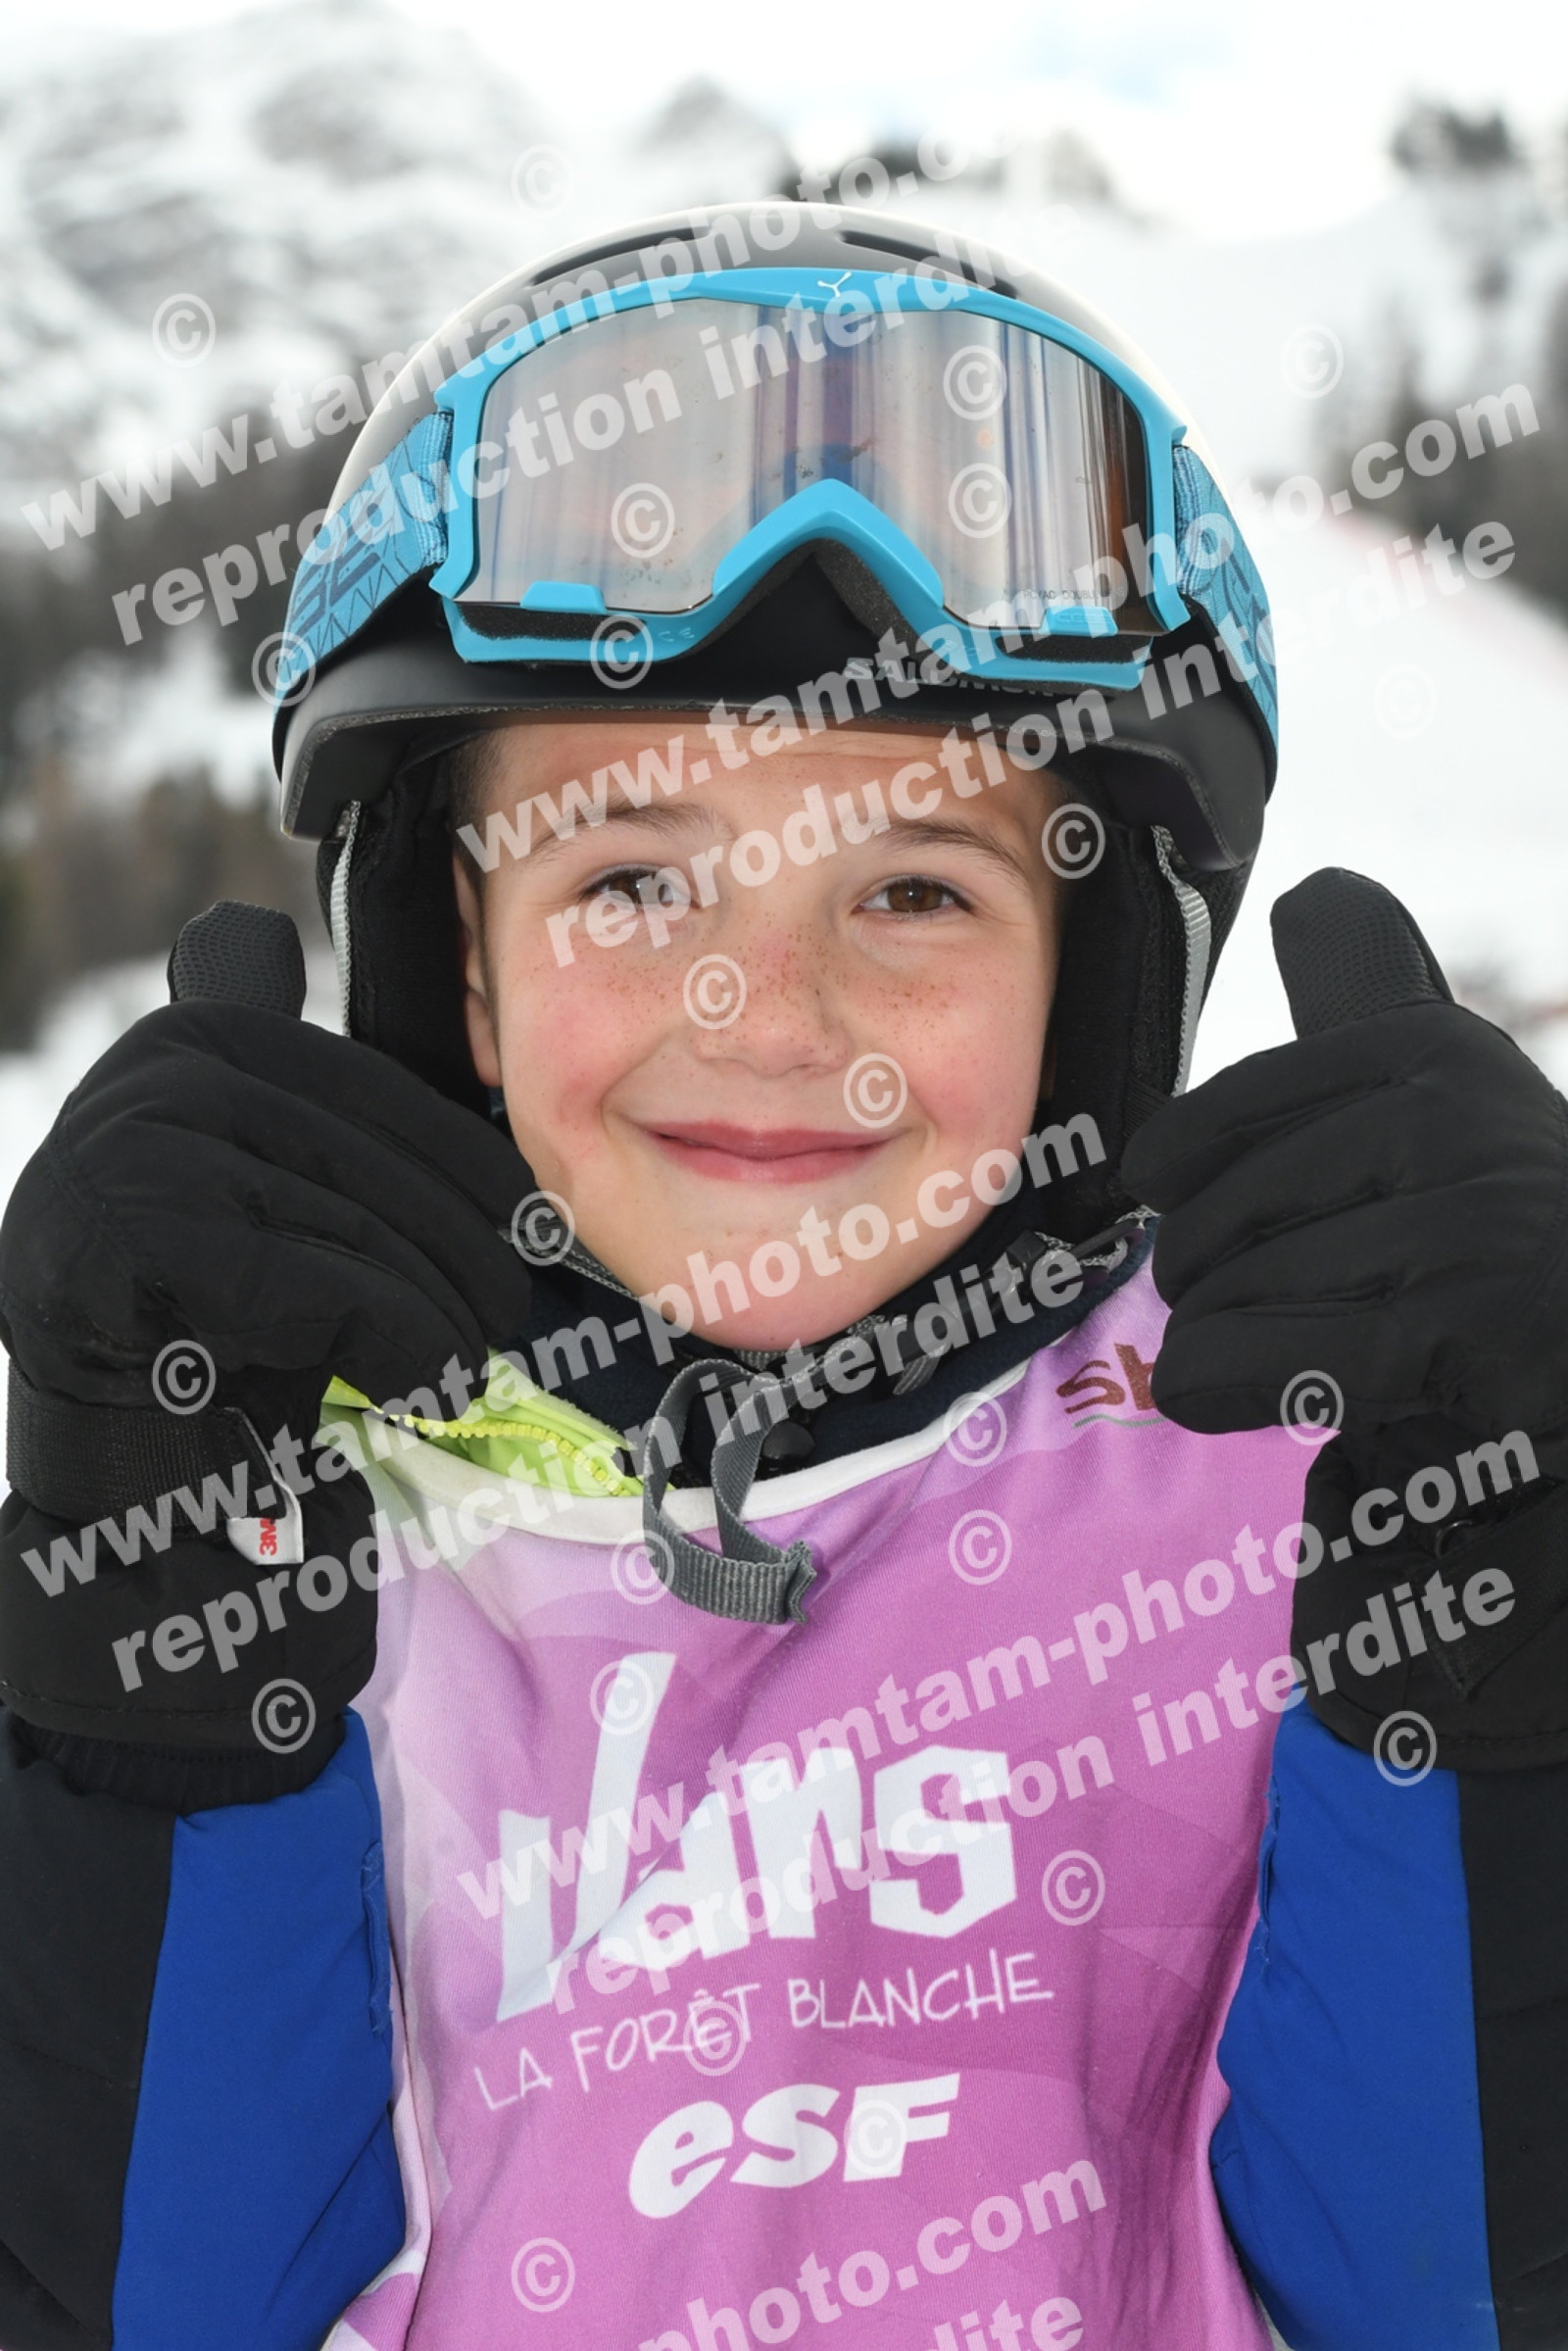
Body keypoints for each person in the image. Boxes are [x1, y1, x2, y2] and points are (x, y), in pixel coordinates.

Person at [1, 203, 1564, 2351]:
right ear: (460, 968)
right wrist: (136, 1727)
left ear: (1089, 982)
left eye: (914, 891)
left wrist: (1510, 1685)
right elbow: (152, 2307)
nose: (763, 1013)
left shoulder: (1291, 1483)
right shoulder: (287, 1521)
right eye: (632, 881)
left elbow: (1444, 2290)